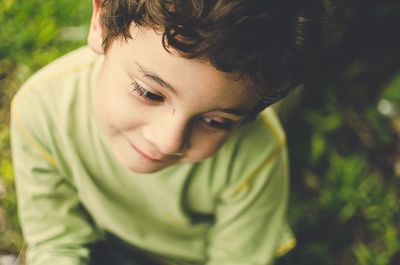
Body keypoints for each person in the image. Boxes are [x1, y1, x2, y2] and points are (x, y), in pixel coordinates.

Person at [10, 0, 333, 264]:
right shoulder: (43, 108)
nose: (167, 141)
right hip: (101, 245)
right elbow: (56, 241)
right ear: (102, 22)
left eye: (217, 122)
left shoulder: (257, 153)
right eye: (149, 93)